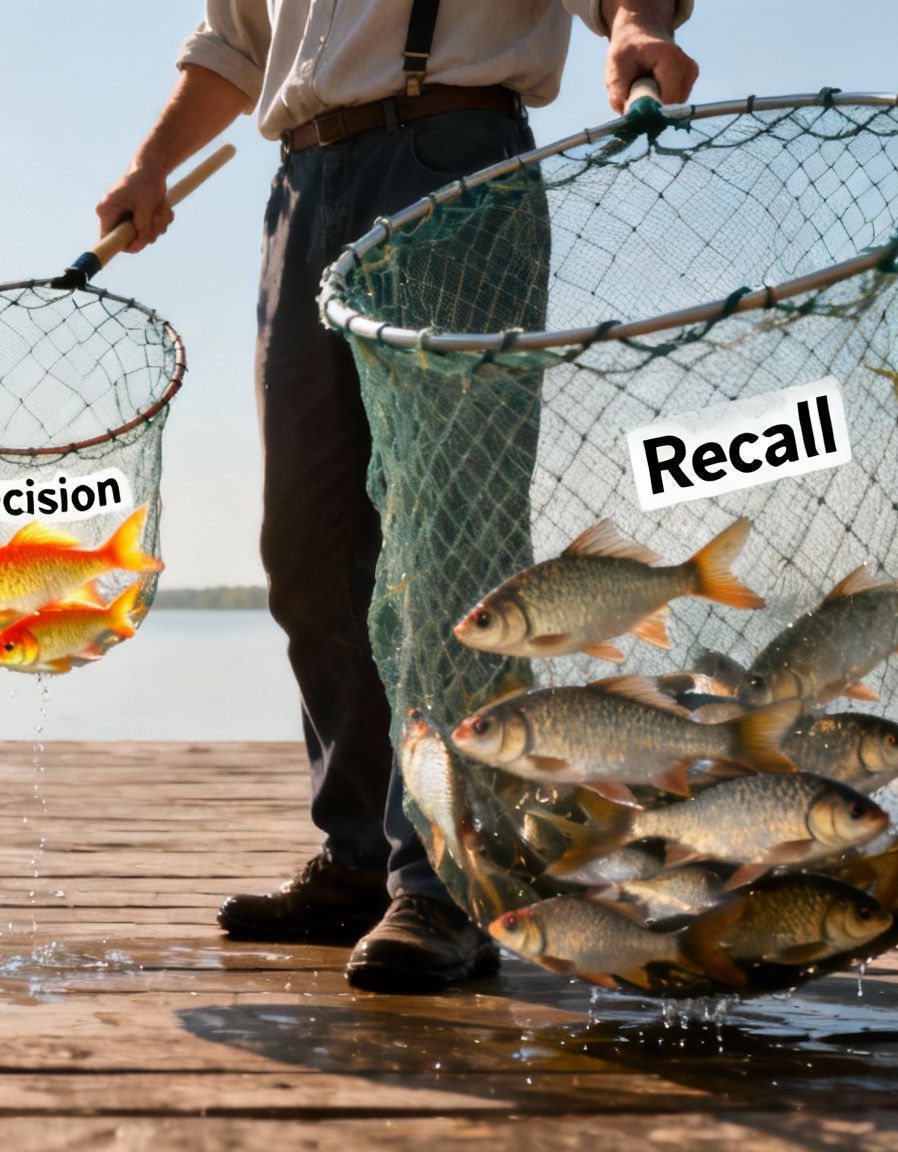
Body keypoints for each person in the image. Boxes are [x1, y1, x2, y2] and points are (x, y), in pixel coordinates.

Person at [93, 1, 698, 993]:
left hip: (453, 164)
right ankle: (358, 861)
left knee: (454, 542)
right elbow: (233, 48)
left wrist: (631, 29)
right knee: (307, 545)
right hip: (300, 190)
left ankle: (450, 882)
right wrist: (152, 162)